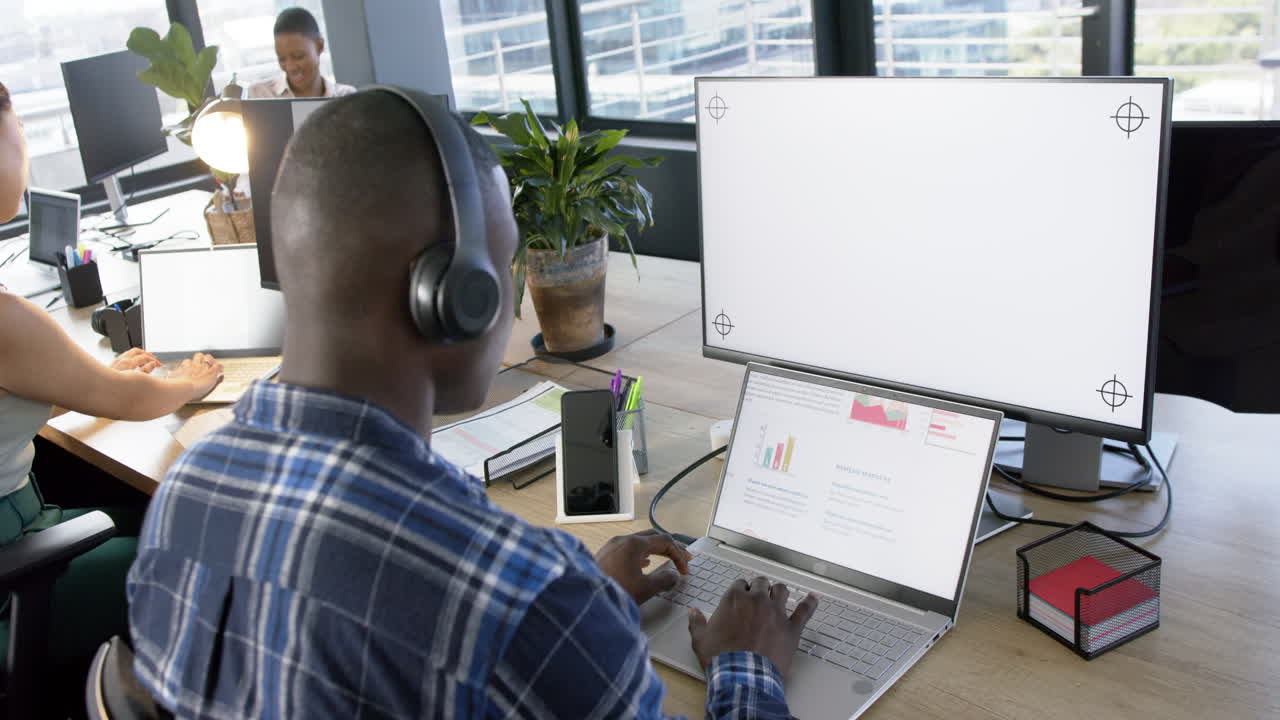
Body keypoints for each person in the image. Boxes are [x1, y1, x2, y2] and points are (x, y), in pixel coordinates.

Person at [128, 88, 817, 718]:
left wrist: (586, 596)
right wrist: (745, 667)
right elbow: (492, 608)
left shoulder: (187, 489)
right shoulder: (523, 601)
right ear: (458, 297)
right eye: (505, 262)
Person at [0, 80, 223, 699]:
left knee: (150, 515)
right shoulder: (3, 317)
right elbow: (130, 404)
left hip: (20, 534)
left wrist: (90, 383)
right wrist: (190, 380)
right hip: (12, 574)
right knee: (208, 550)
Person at [246, 7, 354, 99]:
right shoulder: (259, 95)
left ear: (319, 46)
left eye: (298, 57)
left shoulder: (344, 97)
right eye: (282, 59)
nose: (290, 67)